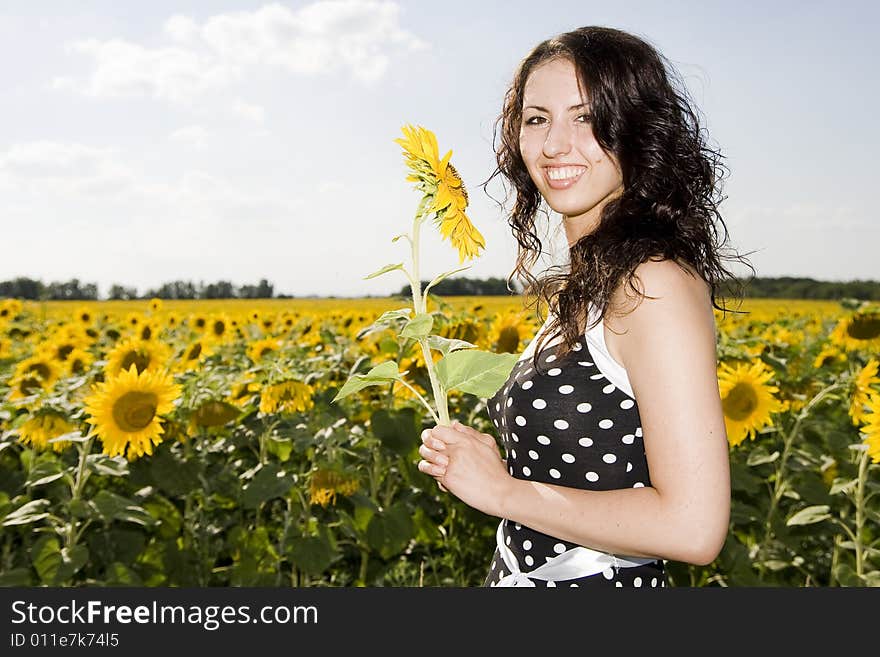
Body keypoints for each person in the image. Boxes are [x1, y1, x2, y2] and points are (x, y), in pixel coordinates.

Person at [417, 25, 754, 587]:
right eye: (537, 118)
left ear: (639, 130)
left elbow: (694, 527)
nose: (554, 144)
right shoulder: (593, 283)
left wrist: (503, 491)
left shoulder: (652, 285)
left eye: (587, 117)